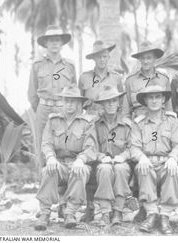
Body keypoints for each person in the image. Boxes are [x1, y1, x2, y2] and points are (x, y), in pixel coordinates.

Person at [34, 86, 95, 231]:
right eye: (66, 101)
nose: (69, 104)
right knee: (49, 170)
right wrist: (50, 158)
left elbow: (91, 147)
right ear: (62, 102)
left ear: (79, 104)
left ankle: (70, 213)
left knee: (80, 171)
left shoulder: (87, 122)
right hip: (59, 164)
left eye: (73, 102)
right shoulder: (53, 120)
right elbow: (46, 142)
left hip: (77, 163)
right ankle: (44, 213)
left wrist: (81, 160)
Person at [130, 85, 178, 235]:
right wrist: (141, 157)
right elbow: (134, 147)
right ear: (145, 101)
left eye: (157, 97)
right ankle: (151, 214)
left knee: (173, 169)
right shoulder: (138, 123)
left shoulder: (172, 121)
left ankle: (165, 216)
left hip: (165, 162)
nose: (154, 101)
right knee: (144, 168)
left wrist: (173, 158)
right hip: (147, 163)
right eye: (150, 97)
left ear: (163, 100)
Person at [80, 85, 133, 226]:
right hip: (101, 164)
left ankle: (118, 211)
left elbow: (133, 146)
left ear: (118, 103)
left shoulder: (127, 125)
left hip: (122, 163)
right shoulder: (95, 124)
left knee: (121, 168)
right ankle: (105, 212)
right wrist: (100, 156)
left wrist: (123, 156)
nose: (110, 104)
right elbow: (89, 146)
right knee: (104, 168)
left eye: (114, 100)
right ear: (102, 104)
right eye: (107, 101)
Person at [28, 25, 76, 168]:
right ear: (46, 44)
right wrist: (43, 106)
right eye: (51, 41)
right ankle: (43, 182)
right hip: (43, 109)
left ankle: (61, 182)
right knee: (41, 144)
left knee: (63, 144)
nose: (54, 43)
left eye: (57, 40)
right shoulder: (37, 65)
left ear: (61, 44)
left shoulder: (69, 66)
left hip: (63, 109)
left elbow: (73, 92)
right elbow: (32, 93)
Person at [124, 41, 172, 119]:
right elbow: (125, 112)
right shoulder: (130, 81)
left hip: (161, 123)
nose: (145, 61)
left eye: (149, 58)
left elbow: (169, 109)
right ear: (139, 59)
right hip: (138, 124)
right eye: (143, 58)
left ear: (155, 58)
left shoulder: (164, 79)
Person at [78, 40, 126, 118]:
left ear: (108, 58)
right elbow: (79, 104)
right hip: (91, 118)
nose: (102, 59)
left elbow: (121, 103)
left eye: (104, 56)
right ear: (93, 58)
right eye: (98, 57)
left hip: (110, 119)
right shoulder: (84, 78)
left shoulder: (116, 78)